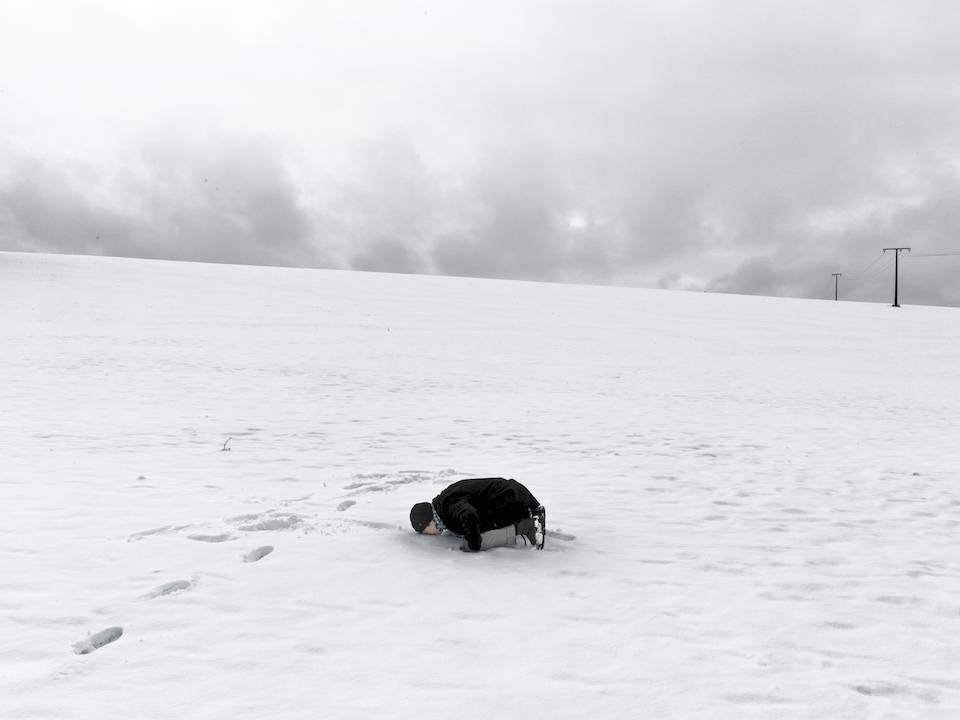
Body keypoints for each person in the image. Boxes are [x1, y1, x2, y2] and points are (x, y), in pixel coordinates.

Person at [409, 477, 545, 551]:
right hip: (517, 493)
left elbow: (470, 515)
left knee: (480, 539)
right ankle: (530, 515)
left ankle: (526, 527)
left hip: (510, 500)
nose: (429, 534)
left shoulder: (448, 506)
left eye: (426, 531)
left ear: (428, 521)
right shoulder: (444, 501)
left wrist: (473, 544)